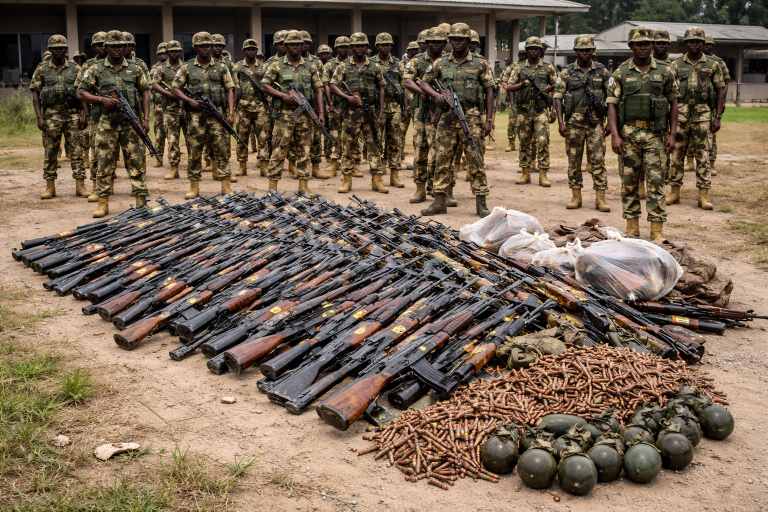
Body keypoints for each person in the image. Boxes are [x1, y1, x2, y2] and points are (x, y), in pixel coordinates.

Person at [607, 25, 679, 241]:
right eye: (639, 44)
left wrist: (672, 134)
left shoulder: (665, 71)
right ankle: (632, 227)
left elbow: (674, 103)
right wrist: (615, 135)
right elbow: (611, 104)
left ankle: (656, 231)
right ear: (631, 46)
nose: (644, 47)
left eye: (648, 44)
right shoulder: (620, 72)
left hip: (655, 134)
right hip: (628, 134)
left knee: (656, 182)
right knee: (629, 182)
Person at [418, 23, 494, 217]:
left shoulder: (480, 63)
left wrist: (489, 120)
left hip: (471, 115)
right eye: (453, 39)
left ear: (469, 41)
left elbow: (489, 92)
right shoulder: (440, 63)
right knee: (442, 159)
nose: (457, 42)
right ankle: (439, 201)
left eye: (461, 39)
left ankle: (481, 204)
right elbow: (424, 82)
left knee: (475, 159)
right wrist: (437, 96)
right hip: (447, 118)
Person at [77, 30, 151, 217]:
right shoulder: (95, 68)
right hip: (106, 124)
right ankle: (103, 203)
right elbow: (80, 93)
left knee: (136, 161)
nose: (117, 49)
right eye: (113, 46)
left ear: (126, 47)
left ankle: (141, 202)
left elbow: (145, 93)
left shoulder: (135, 68)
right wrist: (101, 100)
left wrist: (146, 119)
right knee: (103, 162)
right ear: (106, 47)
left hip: (130, 122)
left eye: (121, 46)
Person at [170, 31, 236, 199]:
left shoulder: (221, 67)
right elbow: (175, 88)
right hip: (195, 117)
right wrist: (189, 100)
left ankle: (225, 186)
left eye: (208, 46)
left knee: (222, 150)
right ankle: (194, 187)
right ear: (196, 48)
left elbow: (230, 89)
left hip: (217, 115)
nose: (205, 49)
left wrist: (230, 112)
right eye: (202, 46)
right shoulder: (187, 68)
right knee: (194, 152)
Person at [260, 30, 325, 195]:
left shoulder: (310, 65)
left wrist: (321, 112)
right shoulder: (276, 65)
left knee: (305, 151)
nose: (295, 47)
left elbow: (318, 90)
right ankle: (272, 188)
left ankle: (303, 187)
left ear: (302, 46)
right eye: (291, 44)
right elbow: (264, 85)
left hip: (305, 116)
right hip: (283, 116)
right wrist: (282, 95)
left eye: (298, 44)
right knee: (278, 150)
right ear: (285, 46)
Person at [667, 27, 726, 210]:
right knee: (677, 154)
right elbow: (668, 93)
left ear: (703, 44)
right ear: (686, 43)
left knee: (703, 155)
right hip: (681, 113)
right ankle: (674, 192)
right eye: (691, 41)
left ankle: (703, 195)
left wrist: (717, 117)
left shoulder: (713, 65)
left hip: (703, 115)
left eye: (698, 41)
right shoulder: (675, 65)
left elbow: (720, 91)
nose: (694, 44)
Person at [553, 35, 611, 212]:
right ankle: (576, 196)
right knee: (574, 161)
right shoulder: (566, 72)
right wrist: (561, 122)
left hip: (596, 123)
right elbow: (558, 96)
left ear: (593, 51)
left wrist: (610, 123)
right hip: (574, 123)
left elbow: (612, 98)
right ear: (576, 51)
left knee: (598, 160)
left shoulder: (603, 72)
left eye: (588, 50)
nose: (585, 53)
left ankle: (600, 199)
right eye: (581, 50)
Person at [30, 35, 88, 200]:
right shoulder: (41, 69)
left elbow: (82, 92)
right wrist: (39, 117)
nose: (59, 51)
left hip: (72, 114)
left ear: (66, 50)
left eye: (62, 48)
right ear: (50, 50)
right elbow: (35, 93)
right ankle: (50, 188)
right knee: (50, 151)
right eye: (56, 48)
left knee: (77, 151)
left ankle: (80, 186)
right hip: (51, 115)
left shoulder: (75, 68)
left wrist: (85, 115)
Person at [329, 32, 387, 194]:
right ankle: (347, 180)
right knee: (348, 147)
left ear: (367, 48)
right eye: (356, 46)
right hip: (351, 113)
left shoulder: (374, 66)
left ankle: (377, 181)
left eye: (363, 45)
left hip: (371, 112)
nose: (360, 48)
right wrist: (347, 97)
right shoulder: (343, 66)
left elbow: (381, 87)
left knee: (375, 146)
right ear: (351, 48)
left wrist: (381, 112)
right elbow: (333, 86)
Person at [403, 27, 446, 203]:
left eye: (439, 42)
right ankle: (420, 189)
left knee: (439, 153)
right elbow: (407, 81)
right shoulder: (416, 61)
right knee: (420, 152)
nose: (435, 45)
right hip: (421, 112)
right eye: (432, 42)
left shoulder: (449, 61)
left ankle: (437, 188)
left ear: (444, 44)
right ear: (426, 43)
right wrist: (426, 92)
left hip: (442, 112)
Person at [506, 36, 557, 188]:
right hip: (524, 111)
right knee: (524, 142)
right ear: (526, 51)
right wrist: (522, 84)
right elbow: (509, 87)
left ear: (540, 51)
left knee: (542, 142)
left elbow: (557, 87)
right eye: (530, 48)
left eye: (536, 48)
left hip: (541, 110)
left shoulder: (548, 67)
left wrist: (553, 108)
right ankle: (525, 173)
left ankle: (543, 175)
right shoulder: (518, 68)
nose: (533, 51)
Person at [73, 32, 107, 201]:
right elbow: (81, 92)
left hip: (119, 115)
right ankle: (96, 187)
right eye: (99, 44)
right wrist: (85, 115)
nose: (102, 47)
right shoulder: (88, 66)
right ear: (93, 47)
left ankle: (111, 186)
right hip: (96, 116)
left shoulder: (121, 63)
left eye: (104, 43)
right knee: (96, 151)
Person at [231, 38, 270, 179]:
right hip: (243, 107)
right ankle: (242, 166)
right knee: (242, 137)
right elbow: (234, 87)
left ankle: (264, 166)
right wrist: (233, 109)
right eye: (248, 49)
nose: (251, 51)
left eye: (253, 49)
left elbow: (269, 85)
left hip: (260, 107)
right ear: (244, 51)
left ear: (256, 51)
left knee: (263, 137)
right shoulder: (237, 67)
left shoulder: (264, 67)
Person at [371, 32, 405, 188]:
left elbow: (404, 87)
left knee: (394, 142)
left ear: (391, 46)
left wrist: (405, 108)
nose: (385, 47)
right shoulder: (371, 63)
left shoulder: (398, 64)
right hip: (377, 107)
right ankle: (377, 176)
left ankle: (394, 175)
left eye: (388, 45)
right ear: (377, 46)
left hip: (395, 107)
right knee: (376, 142)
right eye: (382, 45)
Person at [151, 40, 187, 181]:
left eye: (177, 50)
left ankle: (193, 166)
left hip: (186, 108)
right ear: (167, 53)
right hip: (170, 110)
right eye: (172, 51)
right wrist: (168, 94)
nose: (174, 53)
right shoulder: (160, 69)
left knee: (191, 139)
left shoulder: (186, 67)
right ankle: (174, 168)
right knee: (172, 140)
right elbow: (153, 84)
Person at [322, 36, 350, 178]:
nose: (343, 49)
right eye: (340, 47)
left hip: (351, 106)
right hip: (336, 105)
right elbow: (326, 85)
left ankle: (352, 164)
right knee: (335, 134)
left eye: (346, 47)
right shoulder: (329, 64)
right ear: (336, 49)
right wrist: (330, 104)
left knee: (351, 136)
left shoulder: (354, 63)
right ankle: (334, 163)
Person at [703, 33, 730, 178]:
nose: (706, 46)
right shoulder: (691, 61)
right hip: (697, 103)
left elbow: (725, 82)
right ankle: (689, 161)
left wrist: (722, 99)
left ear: (712, 46)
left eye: (708, 44)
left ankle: (711, 163)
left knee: (711, 132)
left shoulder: (718, 62)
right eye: (704, 43)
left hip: (713, 102)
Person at [652, 28, 673, 196]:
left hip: (665, 117)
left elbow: (674, 96)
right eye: (658, 43)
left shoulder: (674, 66)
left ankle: (664, 183)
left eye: (664, 43)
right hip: (646, 117)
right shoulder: (642, 63)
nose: (661, 46)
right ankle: (640, 187)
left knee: (664, 153)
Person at [149, 42, 168, 167]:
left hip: (174, 105)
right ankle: (159, 157)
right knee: (159, 133)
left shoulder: (178, 67)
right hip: (159, 106)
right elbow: (151, 85)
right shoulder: (154, 68)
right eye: (160, 53)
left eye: (164, 53)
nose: (162, 56)